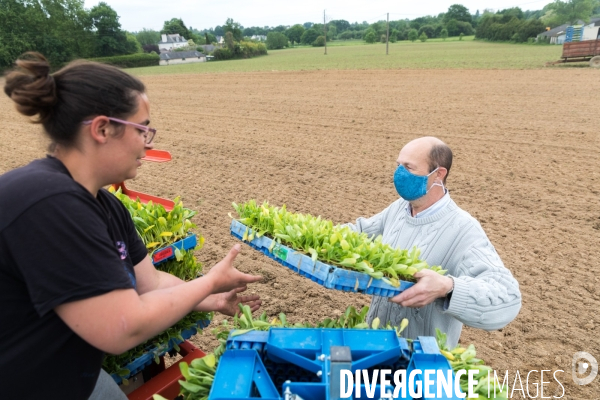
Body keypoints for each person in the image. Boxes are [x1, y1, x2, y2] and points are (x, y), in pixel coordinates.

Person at [0, 53, 262, 400]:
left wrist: (210, 297)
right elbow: (122, 327)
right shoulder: (49, 203)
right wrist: (209, 279)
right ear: (103, 129)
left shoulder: (104, 205)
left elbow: (148, 282)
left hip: (66, 375)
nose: (148, 142)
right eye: (142, 129)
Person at [346, 136, 521, 348]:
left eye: (409, 167)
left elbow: (507, 297)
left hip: (421, 362)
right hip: (375, 347)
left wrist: (448, 287)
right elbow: (359, 232)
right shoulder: (400, 209)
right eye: (398, 165)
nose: (399, 174)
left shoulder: (463, 229)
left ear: (438, 174)